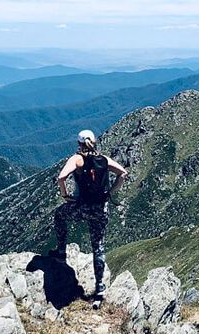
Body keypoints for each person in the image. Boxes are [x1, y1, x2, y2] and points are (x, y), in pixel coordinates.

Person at [50, 129, 128, 306]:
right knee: (98, 247)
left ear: (79, 144)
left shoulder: (77, 159)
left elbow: (61, 177)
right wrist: (111, 192)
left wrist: (65, 195)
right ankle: (99, 289)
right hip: (101, 209)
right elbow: (123, 173)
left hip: (82, 207)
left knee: (60, 215)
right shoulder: (104, 160)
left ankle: (61, 252)